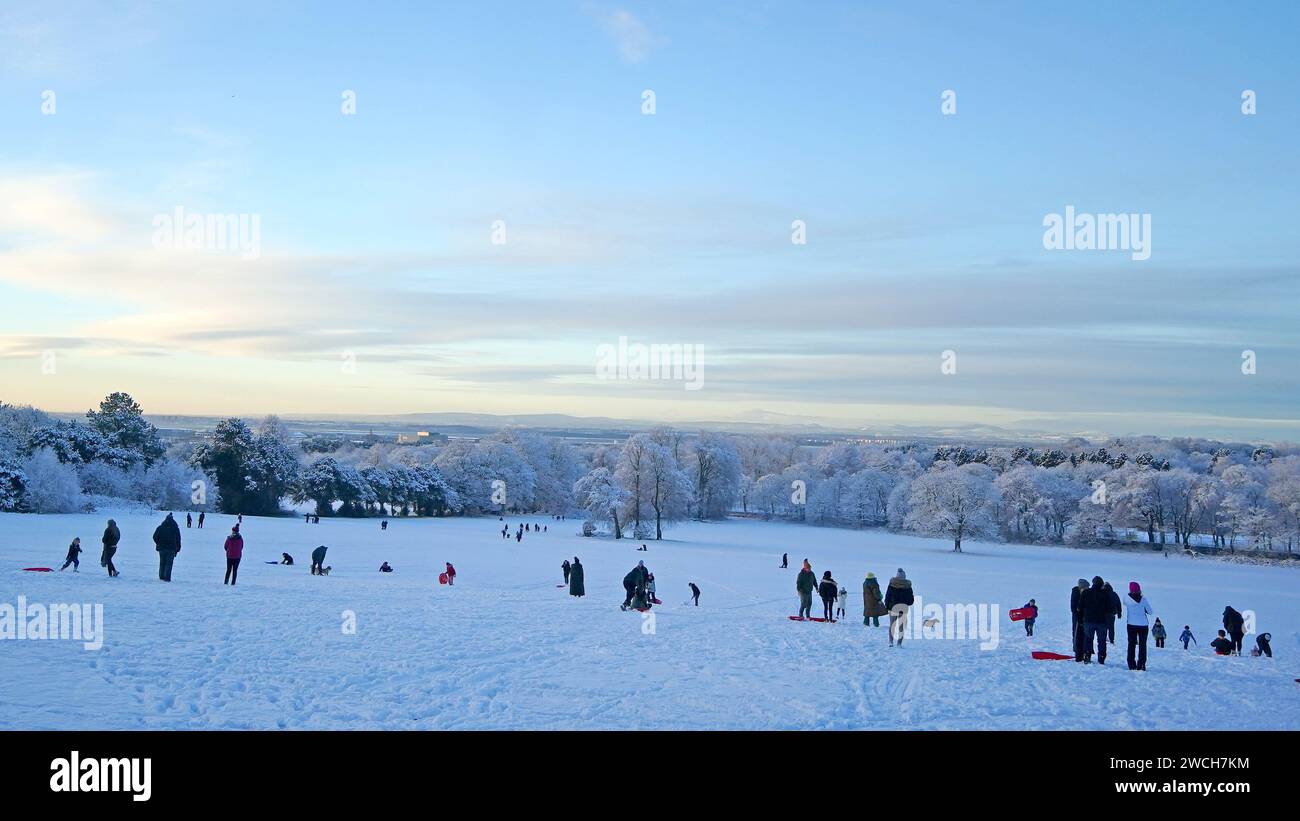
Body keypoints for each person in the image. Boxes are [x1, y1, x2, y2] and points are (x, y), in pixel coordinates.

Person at [1076, 576, 1110, 664]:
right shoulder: (1105, 594)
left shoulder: (1086, 592)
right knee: (1102, 641)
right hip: (1101, 621)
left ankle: (1087, 656)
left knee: (1088, 639)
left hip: (1088, 620)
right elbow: (1110, 608)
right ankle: (1101, 658)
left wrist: (1080, 619)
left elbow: (1080, 607)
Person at [1123, 581, 1153, 671]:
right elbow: (1150, 612)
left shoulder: (1126, 598)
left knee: (1131, 644)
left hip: (1131, 624)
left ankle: (1131, 664)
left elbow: (1125, 603)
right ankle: (1141, 664)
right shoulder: (1143, 599)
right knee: (1142, 645)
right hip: (1143, 624)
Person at [884, 568, 914, 646]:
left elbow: (887, 596)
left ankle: (890, 642)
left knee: (892, 625)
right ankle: (899, 643)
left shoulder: (891, 584)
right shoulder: (908, 586)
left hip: (892, 608)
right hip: (903, 609)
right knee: (901, 627)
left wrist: (886, 606)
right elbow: (911, 600)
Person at [153, 512, 182, 582]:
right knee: (169, 564)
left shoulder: (160, 527)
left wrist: (159, 543)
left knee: (162, 562)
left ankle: (161, 576)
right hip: (171, 549)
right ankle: (167, 578)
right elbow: (178, 539)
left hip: (161, 548)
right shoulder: (175, 528)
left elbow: (154, 537)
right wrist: (178, 548)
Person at [1070, 578, 1088, 658]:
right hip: (1077, 618)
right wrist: (1078, 617)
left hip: (1084, 617)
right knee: (1076, 634)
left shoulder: (1085, 593)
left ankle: (1083, 651)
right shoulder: (1076, 593)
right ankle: (1077, 651)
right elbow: (1073, 607)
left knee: (1084, 635)